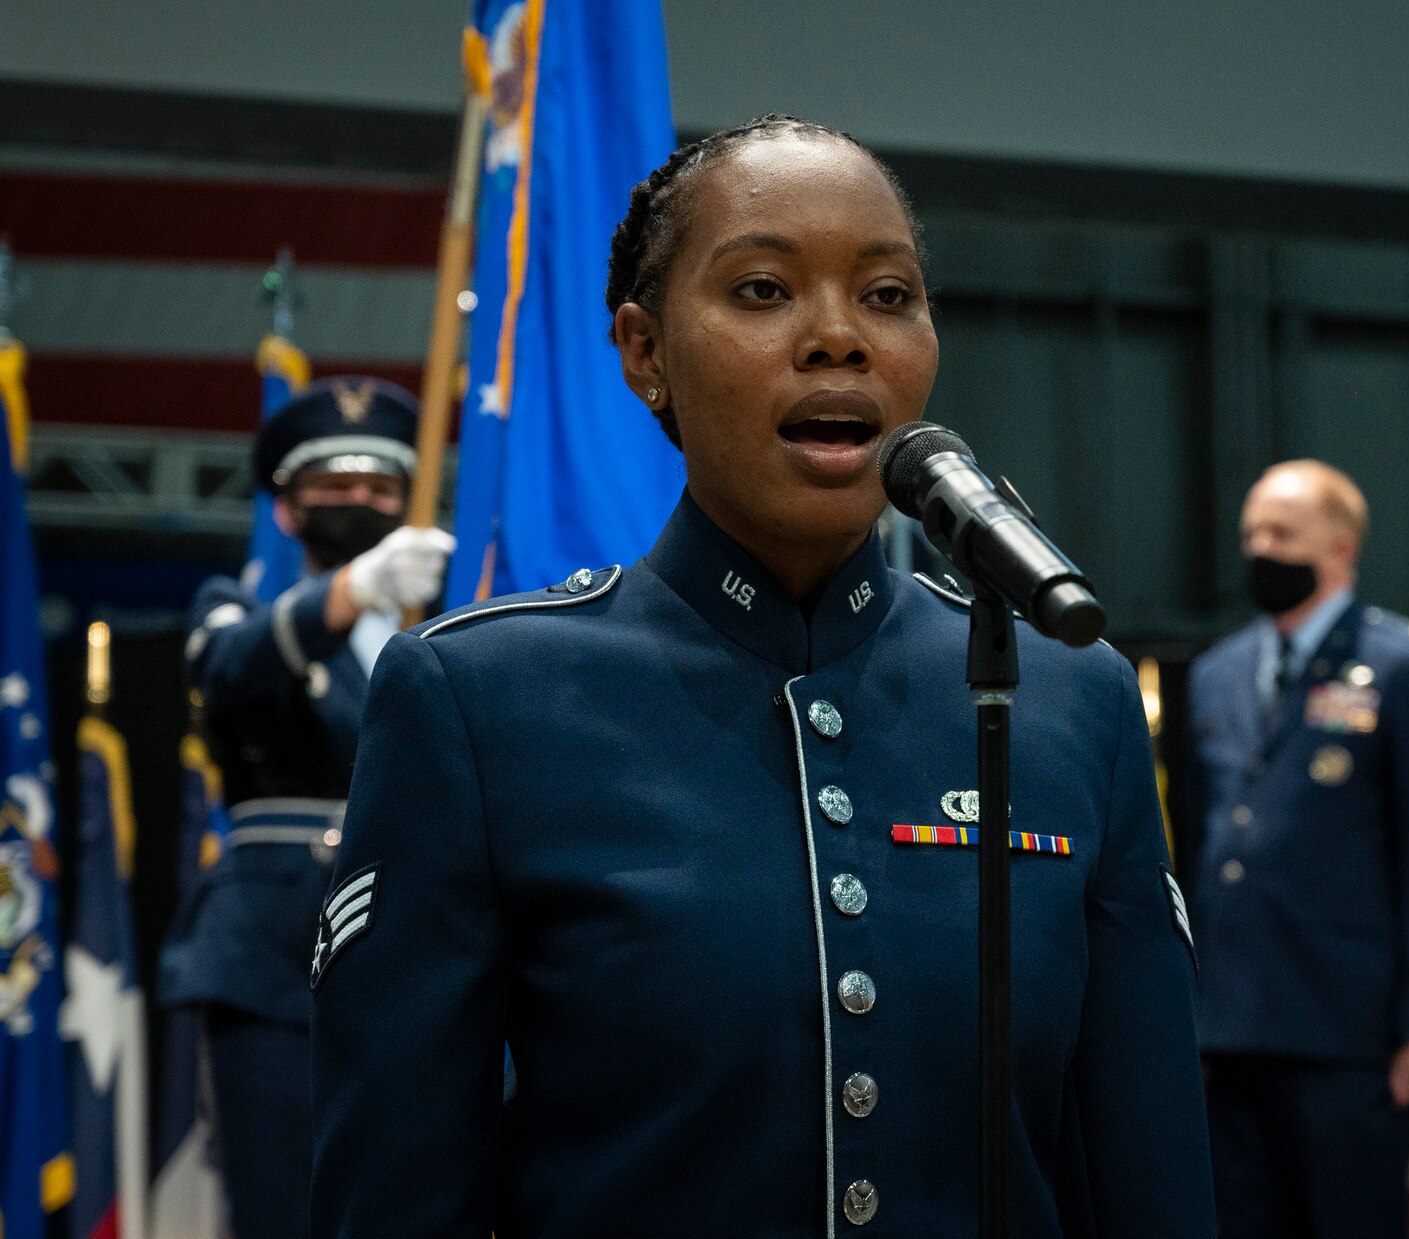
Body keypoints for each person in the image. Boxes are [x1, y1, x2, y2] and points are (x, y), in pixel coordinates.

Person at [309, 115, 1214, 1237]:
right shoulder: (483, 699)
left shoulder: (1070, 699)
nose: (839, 337)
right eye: (760, 290)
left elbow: (1150, 1177)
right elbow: (397, 1195)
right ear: (645, 354)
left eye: (887, 295)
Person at [157, 378, 454, 1239]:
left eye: (380, 491)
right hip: (271, 953)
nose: (358, 503)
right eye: (333, 490)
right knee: (282, 1203)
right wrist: (354, 588)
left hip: (418, 943)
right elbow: (228, 668)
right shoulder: (235, 607)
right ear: (286, 510)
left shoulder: (448, 637)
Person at [1188, 460, 1409, 1239]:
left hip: (1347, 1032)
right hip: (1231, 1028)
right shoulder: (1217, 673)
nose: (1260, 548)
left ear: (1339, 548)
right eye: (1251, 533)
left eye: (1282, 533)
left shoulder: (1404, 664)